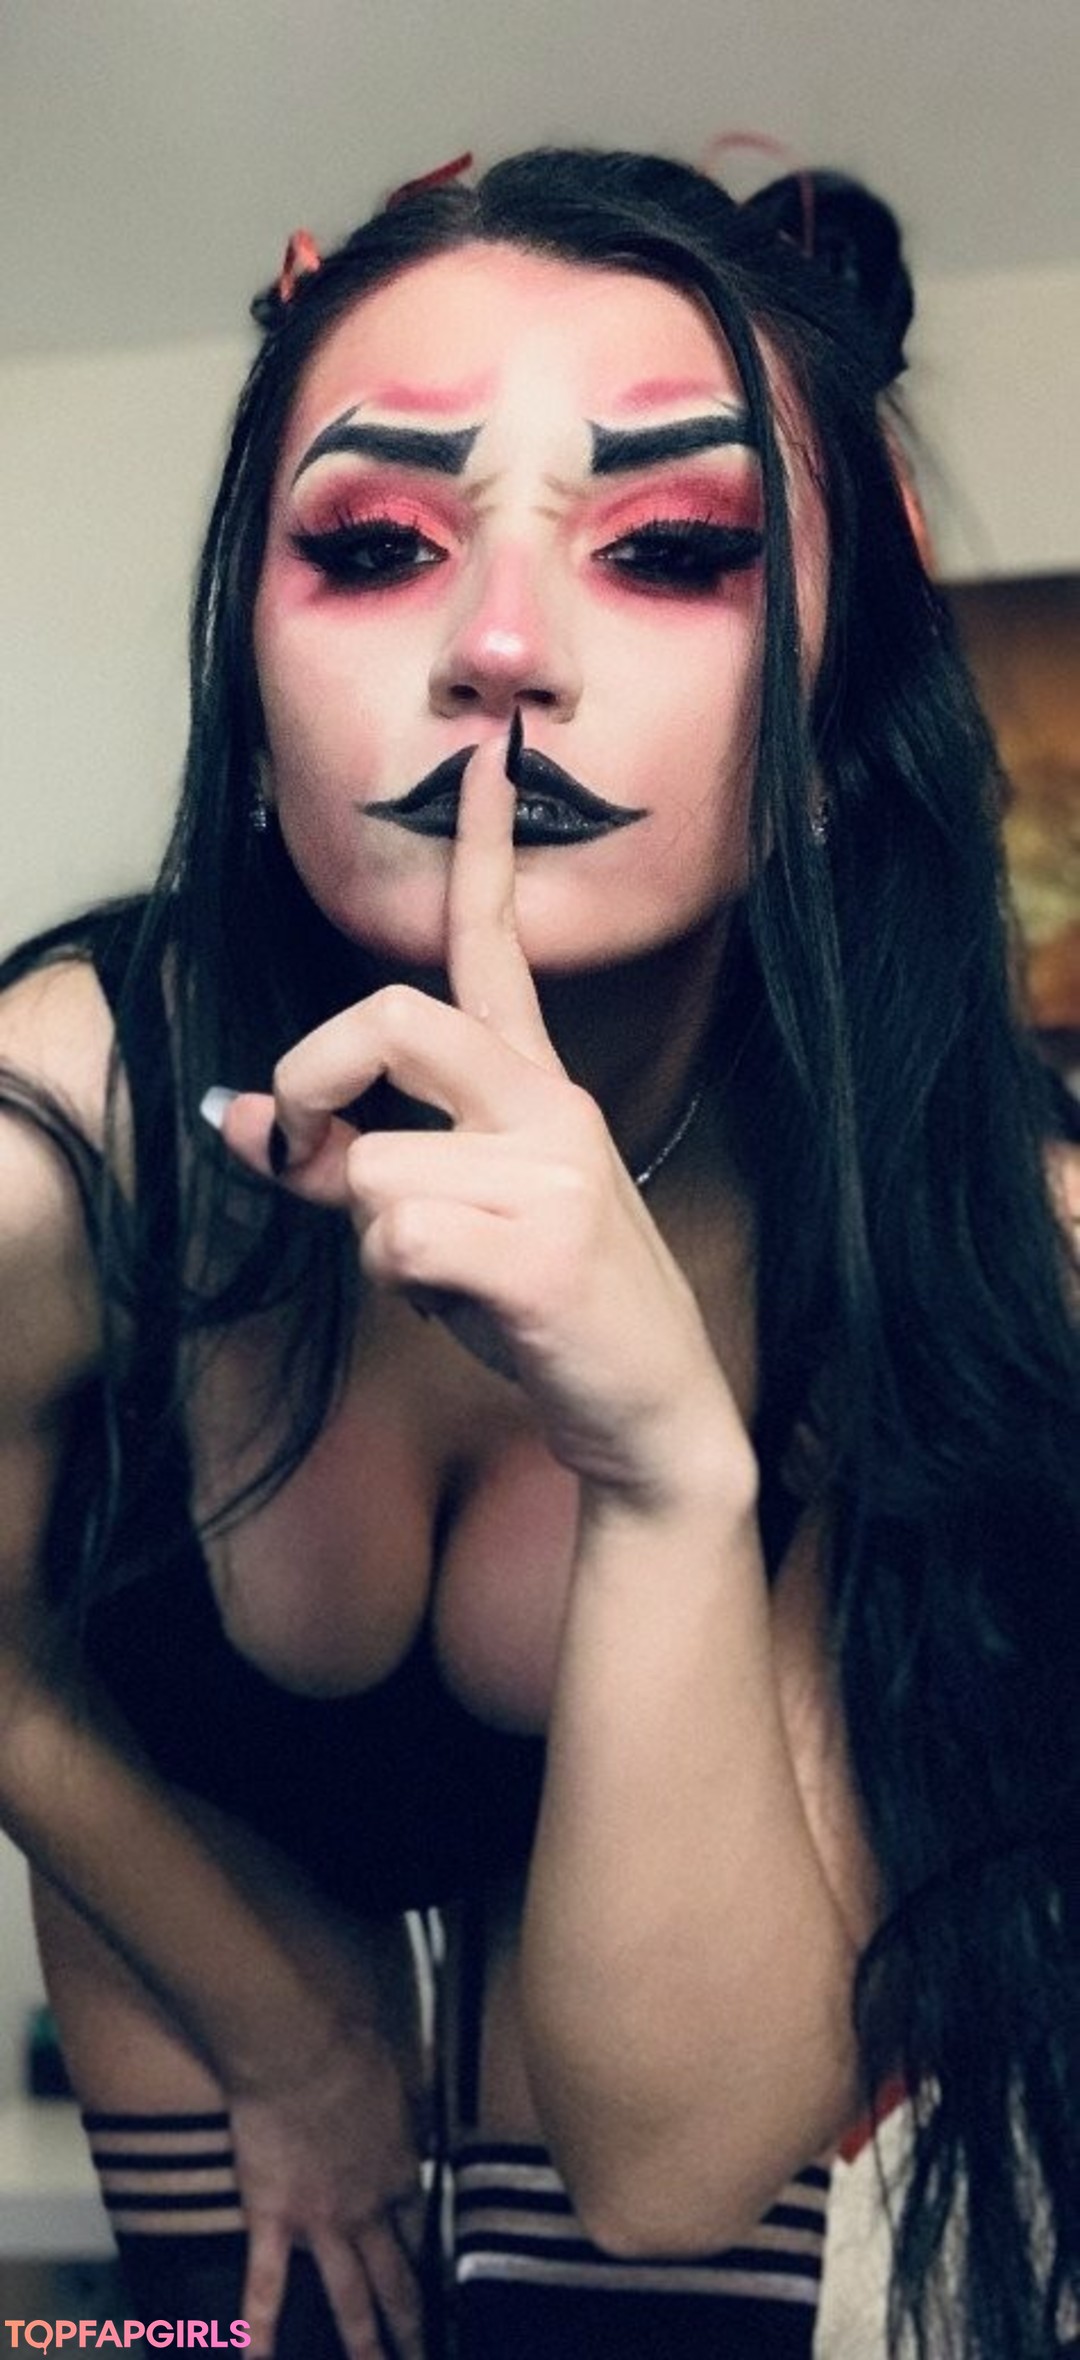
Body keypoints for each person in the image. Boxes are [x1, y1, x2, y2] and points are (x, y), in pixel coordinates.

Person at [0, 143, 1076, 2360]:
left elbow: (676, 2169)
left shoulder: (967, 1233)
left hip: (665, 1908)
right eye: (374, 545)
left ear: (833, 716)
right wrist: (274, 2014)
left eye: (672, 550)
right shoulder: (68, 1137)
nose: (498, 649)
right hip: (194, 1869)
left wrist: (669, 1459)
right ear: (248, 664)